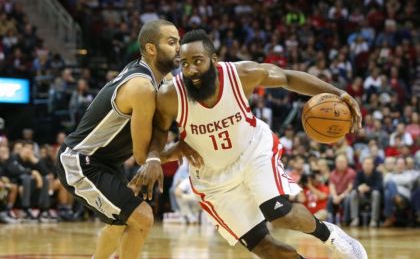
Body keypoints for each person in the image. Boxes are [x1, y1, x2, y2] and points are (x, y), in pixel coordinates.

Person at [138, 29, 367, 258]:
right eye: (184, 63)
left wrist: (337, 92)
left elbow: (287, 78)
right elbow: (159, 129)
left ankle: (331, 235)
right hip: (212, 178)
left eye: (197, 61)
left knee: (280, 214)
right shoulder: (170, 95)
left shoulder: (242, 74)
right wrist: (154, 157)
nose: (191, 70)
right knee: (263, 247)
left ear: (214, 60)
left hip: (252, 151)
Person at [55, 20, 199, 259]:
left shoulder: (158, 79)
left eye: (179, 42)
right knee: (141, 217)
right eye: (172, 42)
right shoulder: (141, 86)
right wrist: (179, 150)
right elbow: (142, 156)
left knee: (122, 221)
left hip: (106, 163)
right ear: (151, 49)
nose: (179, 48)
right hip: (80, 161)